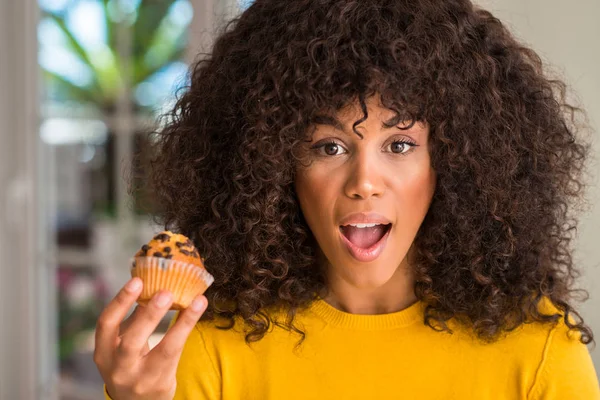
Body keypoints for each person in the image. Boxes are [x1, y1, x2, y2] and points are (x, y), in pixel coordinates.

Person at [94, 0, 600, 399]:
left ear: (456, 162)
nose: (364, 181)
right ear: (271, 166)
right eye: (329, 146)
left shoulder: (538, 356)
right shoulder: (211, 348)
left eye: (399, 145)